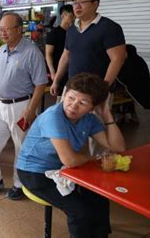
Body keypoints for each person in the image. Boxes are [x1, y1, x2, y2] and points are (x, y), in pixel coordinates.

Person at [17, 73, 126, 238]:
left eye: (82, 103)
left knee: (98, 194)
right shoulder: (53, 117)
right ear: (65, 93)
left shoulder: (89, 119)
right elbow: (70, 160)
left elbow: (118, 146)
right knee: (79, 210)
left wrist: (107, 115)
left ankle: (100, 234)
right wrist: (90, 158)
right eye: (71, 98)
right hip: (34, 172)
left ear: (92, 107)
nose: (73, 106)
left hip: (61, 169)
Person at [0, 12, 47, 200]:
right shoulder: (0, 51)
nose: (3, 33)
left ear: (19, 29)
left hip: (21, 105)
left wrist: (31, 110)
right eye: (0, 29)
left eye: (7, 29)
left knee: (21, 146)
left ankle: (20, 184)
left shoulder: (32, 52)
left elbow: (41, 83)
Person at [50, 0, 126, 155]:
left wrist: (103, 88)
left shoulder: (109, 27)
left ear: (95, 4)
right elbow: (65, 56)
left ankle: (100, 169)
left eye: (82, 2)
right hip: (72, 89)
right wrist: (56, 80)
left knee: (98, 134)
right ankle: (66, 166)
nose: (77, 6)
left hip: (96, 91)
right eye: (75, 2)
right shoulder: (72, 30)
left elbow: (118, 58)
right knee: (64, 127)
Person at [45, 5, 74, 100]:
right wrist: (53, 72)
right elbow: (48, 54)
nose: (73, 19)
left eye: (74, 16)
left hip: (71, 71)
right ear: (63, 16)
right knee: (61, 97)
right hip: (59, 70)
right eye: (71, 16)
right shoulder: (54, 33)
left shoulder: (74, 32)